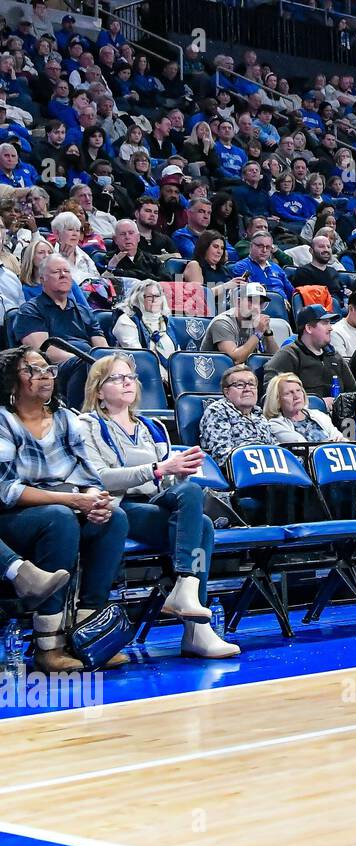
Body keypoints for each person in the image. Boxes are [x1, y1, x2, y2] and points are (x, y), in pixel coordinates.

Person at [77, 353, 237, 658]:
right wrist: (158, 469)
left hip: (155, 499)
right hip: (120, 506)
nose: (127, 383)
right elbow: (99, 477)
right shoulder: (88, 424)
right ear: (98, 389)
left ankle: (186, 592)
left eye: (131, 378)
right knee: (201, 526)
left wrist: (176, 472)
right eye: (117, 378)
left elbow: (166, 485)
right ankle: (195, 626)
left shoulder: (152, 426)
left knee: (190, 493)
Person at [0, 347, 129, 673]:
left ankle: (89, 636)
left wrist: (94, 499)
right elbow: (6, 491)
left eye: (48, 369)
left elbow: (87, 474)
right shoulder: (3, 421)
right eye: (32, 370)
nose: (44, 375)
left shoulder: (65, 417)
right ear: (11, 381)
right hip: (16, 516)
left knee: (114, 517)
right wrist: (70, 501)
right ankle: (49, 646)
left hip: (66, 505)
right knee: (59, 520)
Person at [12, 253, 107, 407]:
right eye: (56, 272)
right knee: (84, 366)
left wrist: (105, 362)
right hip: (54, 370)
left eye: (67, 271)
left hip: (90, 363)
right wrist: (87, 361)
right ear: (42, 279)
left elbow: (101, 346)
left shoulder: (84, 311)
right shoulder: (30, 310)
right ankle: (81, 414)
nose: (63, 275)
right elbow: (43, 352)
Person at [263, 305, 356, 406]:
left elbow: (354, 391)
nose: (330, 328)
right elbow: (271, 395)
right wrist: (317, 403)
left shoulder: (334, 356)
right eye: (325, 323)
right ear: (308, 328)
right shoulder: (288, 355)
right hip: (303, 417)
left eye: (330, 323)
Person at [198, 363, 277, 464]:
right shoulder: (217, 411)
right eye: (240, 385)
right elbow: (221, 456)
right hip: (239, 473)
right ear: (226, 392)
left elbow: (276, 447)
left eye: (252, 384)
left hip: (269, 469)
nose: (247, 389)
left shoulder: (259, 414)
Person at [199, 282, 280, 362]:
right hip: (218, 371)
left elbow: (277, 359)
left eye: (260, 303)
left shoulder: (257, 323)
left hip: (244, 371)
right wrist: (258, 333)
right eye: (251, 300)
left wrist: (268, 333)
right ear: (238, 302)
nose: (256, 307)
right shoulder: (222, 322)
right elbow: (235, 360)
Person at [263, 372, 346, 444]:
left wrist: (340, 440)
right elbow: (303, 447)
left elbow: (339, 437)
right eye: (288, 393)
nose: (296, 396)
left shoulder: (319, 414)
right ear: (277, 400)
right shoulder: (275, 424)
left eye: (298, 390)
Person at [113, 280, 177, 373]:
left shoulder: (167, 321)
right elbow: (139, 356)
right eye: (149, 296)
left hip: (170, 376)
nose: (154, 300)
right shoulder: (126, 321)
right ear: (138, 298)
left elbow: (176, 353)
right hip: (141, 373)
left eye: (157, 296)